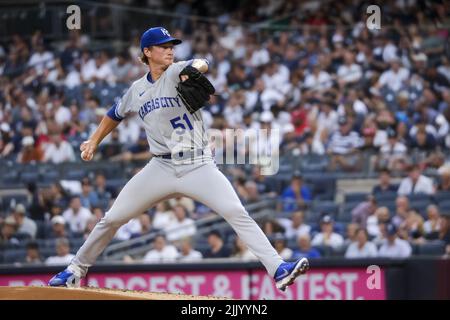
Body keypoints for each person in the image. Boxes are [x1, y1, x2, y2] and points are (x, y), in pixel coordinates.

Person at [49, 26, 309, 291]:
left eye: (171, 45)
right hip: (160, 166)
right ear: (147, 52)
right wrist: (94, 140)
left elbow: (202, 63)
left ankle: (278, 269)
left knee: (235, 211)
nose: (170, 50)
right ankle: (74, 270)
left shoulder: (177, 71)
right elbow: (114, 114)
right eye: (163, 46)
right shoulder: (136, 90)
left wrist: (195, 67)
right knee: (113, 218)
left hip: (197, 164)